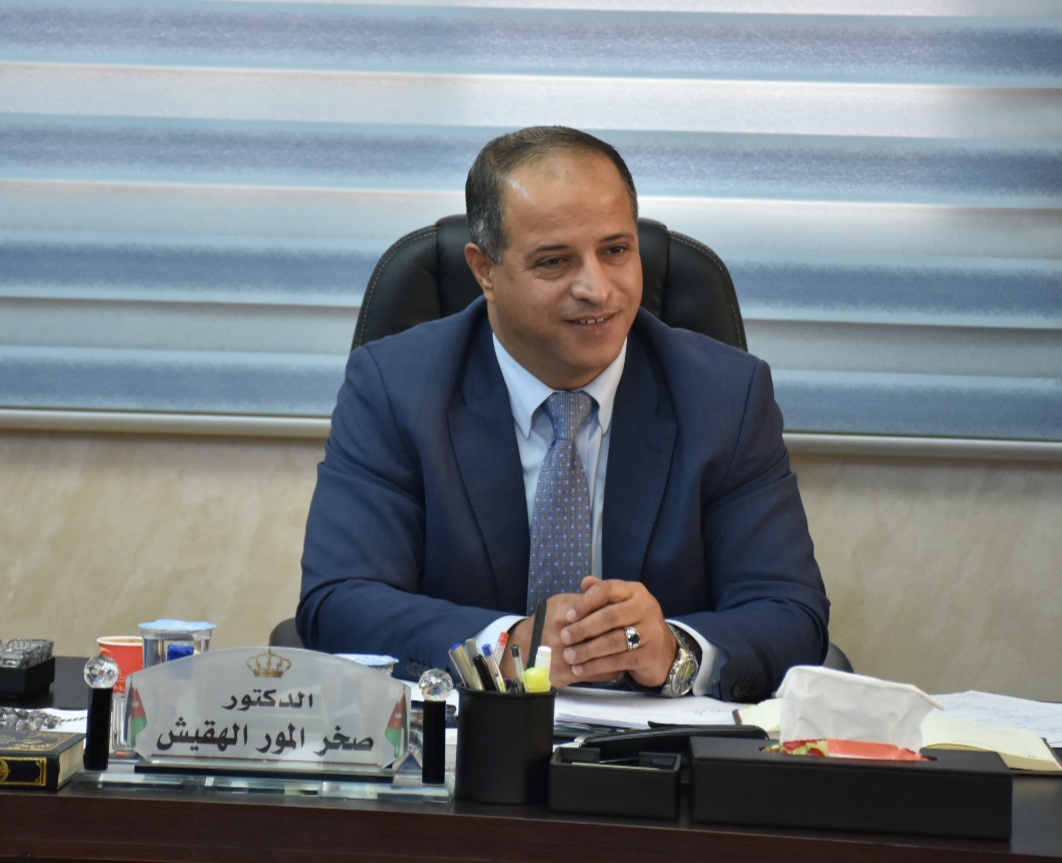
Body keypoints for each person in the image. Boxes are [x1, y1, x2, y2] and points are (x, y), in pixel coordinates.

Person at [298, 126, 829, 703]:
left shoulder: (725, 395)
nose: (597, 289)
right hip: (462, 739)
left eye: (616, 251)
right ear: (484, 270)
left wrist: (674, 650)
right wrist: (508, 644)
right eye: (554, 261)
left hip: (656, 743)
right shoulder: (395, 387)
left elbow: (790, 612)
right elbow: (339, 602)